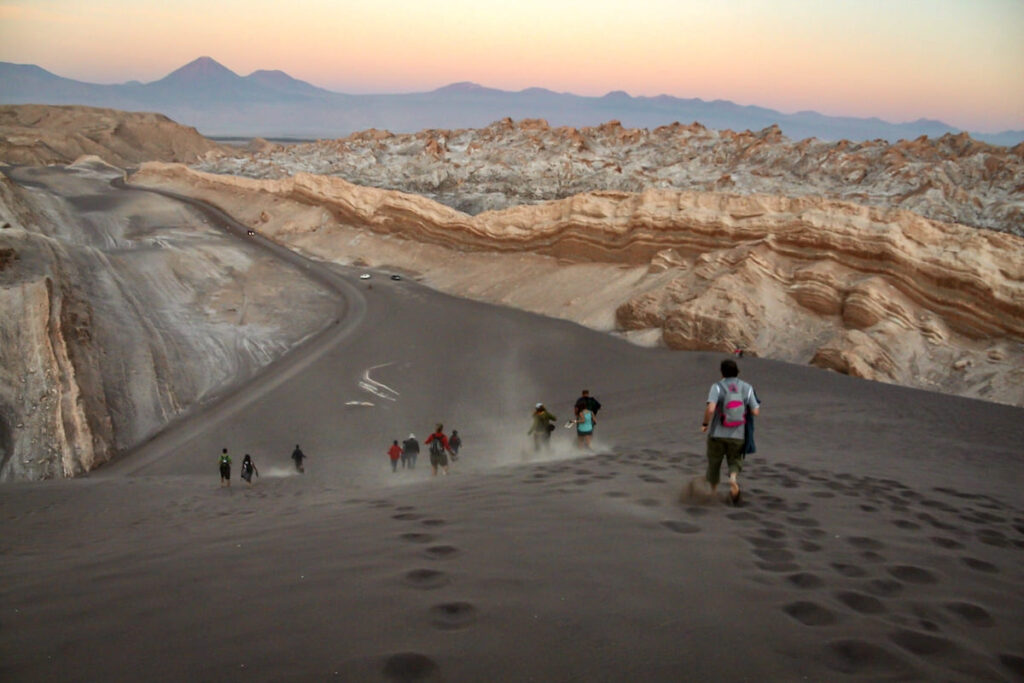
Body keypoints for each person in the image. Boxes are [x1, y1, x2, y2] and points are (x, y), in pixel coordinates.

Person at [702, 358, 761, 504]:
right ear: (737, 372)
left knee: (714, 462)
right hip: (738, 434)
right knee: (735, 460)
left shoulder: (717, 387)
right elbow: (755, 411)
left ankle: (713, 491)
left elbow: (710, 409)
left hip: (717, 433)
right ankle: (733, 478)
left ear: (722, 372)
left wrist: (705, 424)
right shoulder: (747, 388)